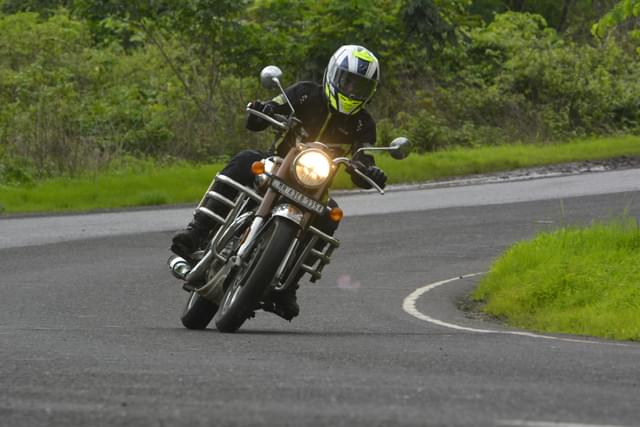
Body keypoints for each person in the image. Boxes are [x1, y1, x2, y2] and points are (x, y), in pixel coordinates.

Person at [171, 45, 388, 320]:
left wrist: (370, 171)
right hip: (276, 164)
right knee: (245, 160)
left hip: (315, 186)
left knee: (331, 215)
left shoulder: (363, 124)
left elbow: (363, 156)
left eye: (360, 86)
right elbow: (272, 107)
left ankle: (289, 285)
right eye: (348, 81)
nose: (352, 89)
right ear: (334, 74)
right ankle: (197, 232)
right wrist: (264, 109)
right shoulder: (305, 93)